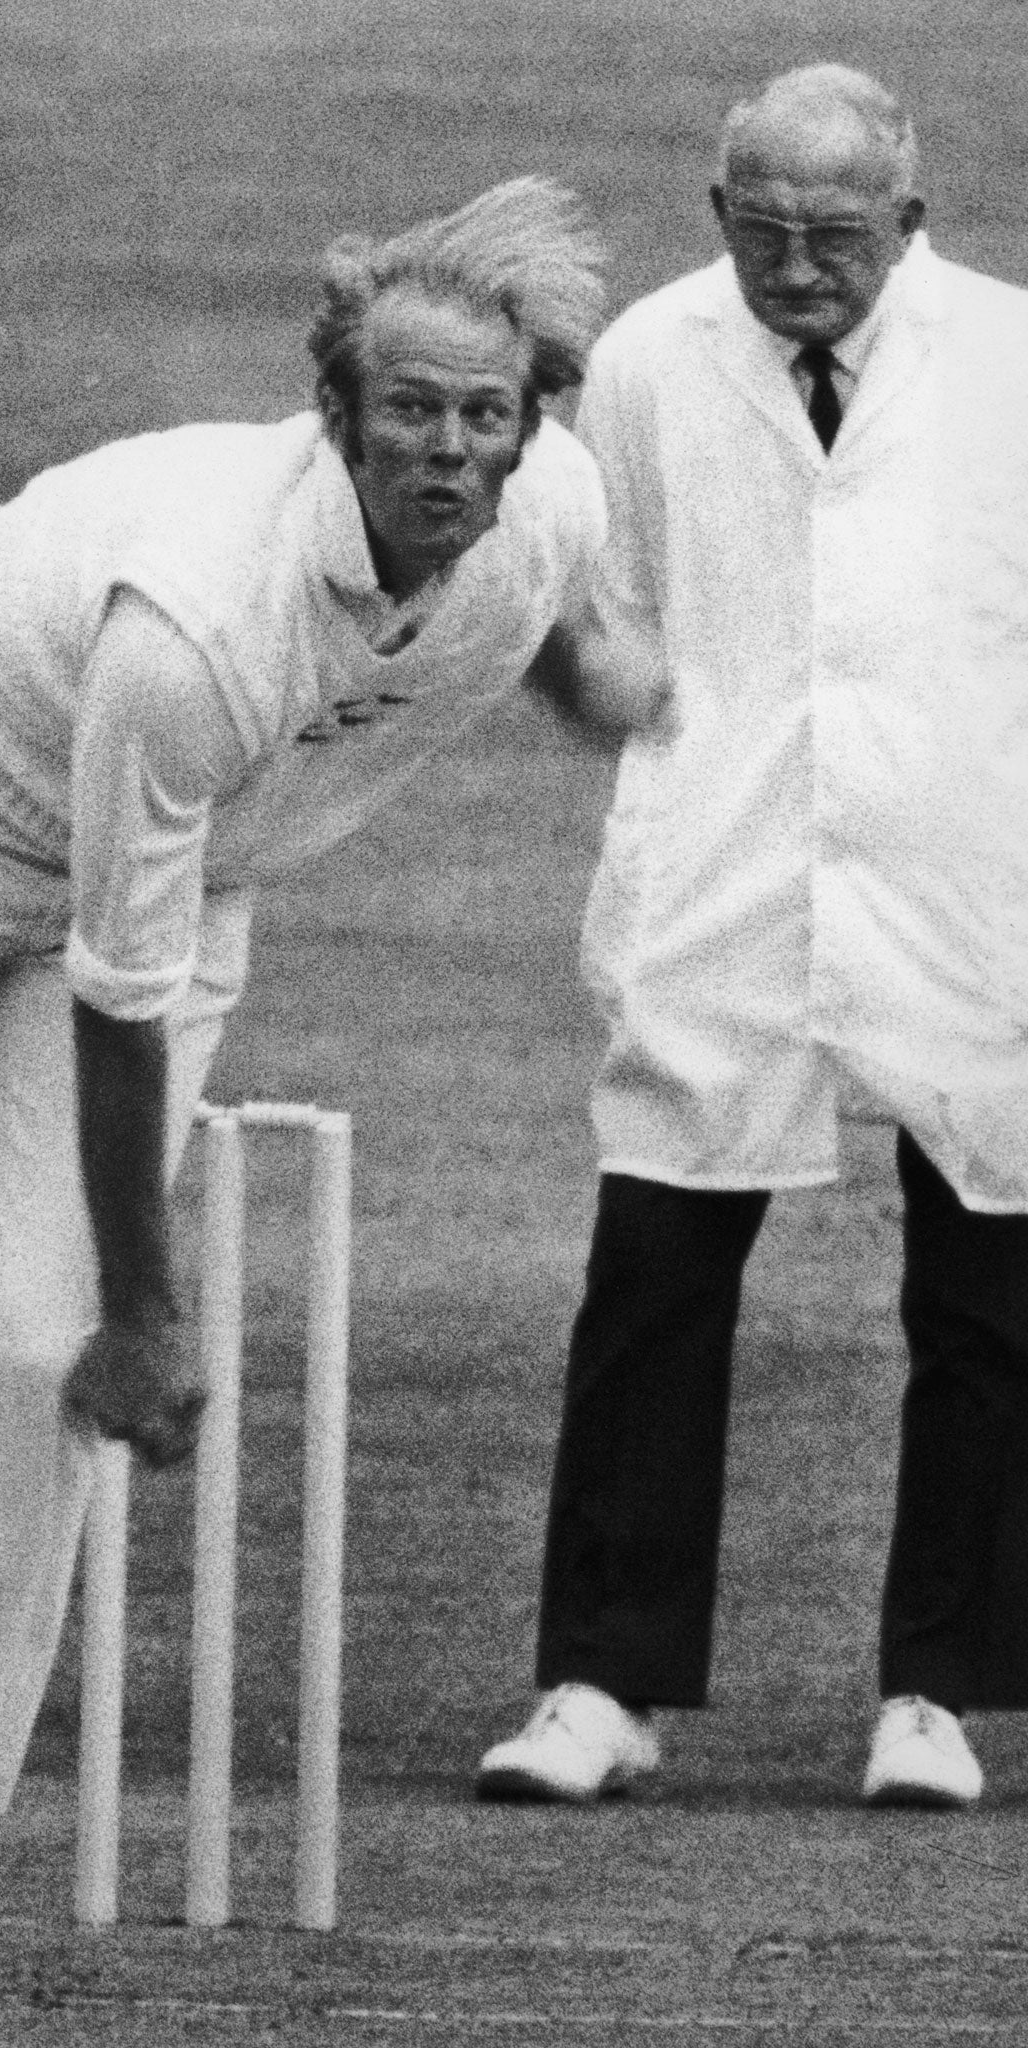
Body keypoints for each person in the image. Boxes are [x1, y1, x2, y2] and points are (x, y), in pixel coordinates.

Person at [0, 176, 654, 1993]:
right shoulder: (196, 624)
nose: (446, 447)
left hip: (189, 876)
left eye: (482, 415)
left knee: (34, 1360)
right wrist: (152, 1316)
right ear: (331, 415)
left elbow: (562, 612)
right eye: (405, 409)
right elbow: (120, 994)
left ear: (529, 427)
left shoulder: (546, 501)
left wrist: (604, 681)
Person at [475, 64, 1028, 1815]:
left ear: (911, 224)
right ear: (718, 211)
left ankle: (939, 1692)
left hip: (971, 877)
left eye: (838, 235)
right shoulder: (645, 357)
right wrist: (594, 676)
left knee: (988, 1291)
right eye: (764, 228)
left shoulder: (1013, 362)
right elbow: (576, 592)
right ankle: (598, 1679)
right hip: (724, 868)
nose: (797, 264)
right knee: (654, 1273)